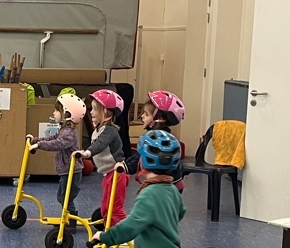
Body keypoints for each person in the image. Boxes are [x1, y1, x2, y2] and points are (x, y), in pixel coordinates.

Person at [28, 93, 87, 225]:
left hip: (72, 172)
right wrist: (36, 140)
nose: (53, 113)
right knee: (63, 197)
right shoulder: (64, 130)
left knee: (65, 198)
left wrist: (39, 145)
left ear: (66, 114)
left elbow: (57, 144)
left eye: (56, 110)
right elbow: (53, 138)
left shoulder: (69, 133)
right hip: (66, 171)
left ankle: (71, 222)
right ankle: (67, 219)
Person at [79, 89, 127, 225]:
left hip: (117, 174)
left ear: (106, 113)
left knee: (114, 208)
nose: (91, 112)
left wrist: (87, 153)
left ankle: (125, 231)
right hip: (108, 174)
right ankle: (108, 227)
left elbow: (100, 144)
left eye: (95, 109)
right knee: (106, 206)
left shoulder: (109, 131)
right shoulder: (98, 129)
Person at [132, 90, 186, 193]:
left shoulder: (156, 139)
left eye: (146, 114)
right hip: (174, 183)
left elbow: (139, 157)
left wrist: (126, 166)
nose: (142, 116)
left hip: (167, 186)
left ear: (159, 118)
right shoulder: (165, 134)